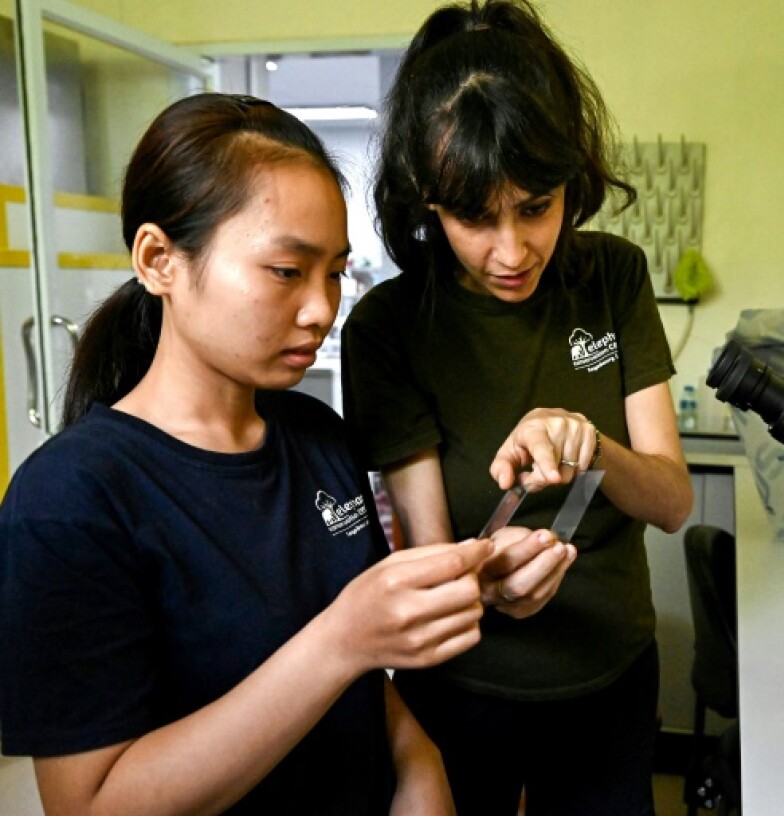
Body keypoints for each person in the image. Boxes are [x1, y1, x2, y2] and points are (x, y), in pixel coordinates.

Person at [0, 92, 561, 816]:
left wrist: (421, 764)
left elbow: (364, 683)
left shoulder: (316, 436)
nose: (323, 308)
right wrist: (340, 640)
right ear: (159, 259)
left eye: (334, 271)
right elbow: (92, 806)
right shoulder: (68, 503)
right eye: (286, 271)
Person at [341, 2, 694, 814]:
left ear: (572, 182)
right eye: (473, 218)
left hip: (611, 677)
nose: (512, 251)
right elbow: (431, 558)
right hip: (464, 688)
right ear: (428, 201)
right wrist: (486, 580)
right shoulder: (389, 328)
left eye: (536, 207)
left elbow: (673, 503)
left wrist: (592, 445)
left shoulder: (612, 277)